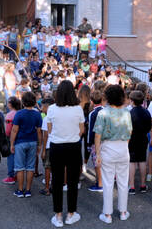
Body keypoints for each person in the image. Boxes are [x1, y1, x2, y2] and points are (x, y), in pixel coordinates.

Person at [46, 81, 85, 227]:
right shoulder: (78, 109)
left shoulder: (51, 109)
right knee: (73, 181)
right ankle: (71, 214)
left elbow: (49, 130)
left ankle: (58, 215)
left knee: (56, 181)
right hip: (73, 146)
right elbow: (82, 130)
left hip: (57, 146)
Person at [94, 84, 133, 224]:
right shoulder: (127, 112)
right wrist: (124, 146)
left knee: (108, 182)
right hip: (123, 148)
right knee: (123, 182)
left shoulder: (102, 113)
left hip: (108, 148)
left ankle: (107, 214)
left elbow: (97, 135)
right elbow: (129, 132)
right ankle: (123, 211)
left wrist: (97, 154)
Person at [9, 92, 43, 198]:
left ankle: (20, 190)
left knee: (19, 167)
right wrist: (39, 145)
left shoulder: (19, 114)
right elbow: (39, 131)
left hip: (20, 142)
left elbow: (14, 130)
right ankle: (28, 190)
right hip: (32, 141)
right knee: (30, 167)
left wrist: (11, 143)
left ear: (23, 102)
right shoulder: (37, 114)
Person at [127, 90, 152, 195]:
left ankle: (131, 186)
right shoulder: (147, 112)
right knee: (142, 161)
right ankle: (143, 185)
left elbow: (128, 128)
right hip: (143, 138)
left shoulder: (130, 113)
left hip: (132, 139)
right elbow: (149, 126)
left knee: (132, 162)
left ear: (132, 101)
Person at [3, 97, 21, 185]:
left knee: (11, 156)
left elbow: (8, 130)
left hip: (11, 137)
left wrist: (6, 136)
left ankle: (11, 176)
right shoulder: (20, 113)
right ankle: (18, 175)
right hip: (21, 137)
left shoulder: (10, 115)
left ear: (10, 104)